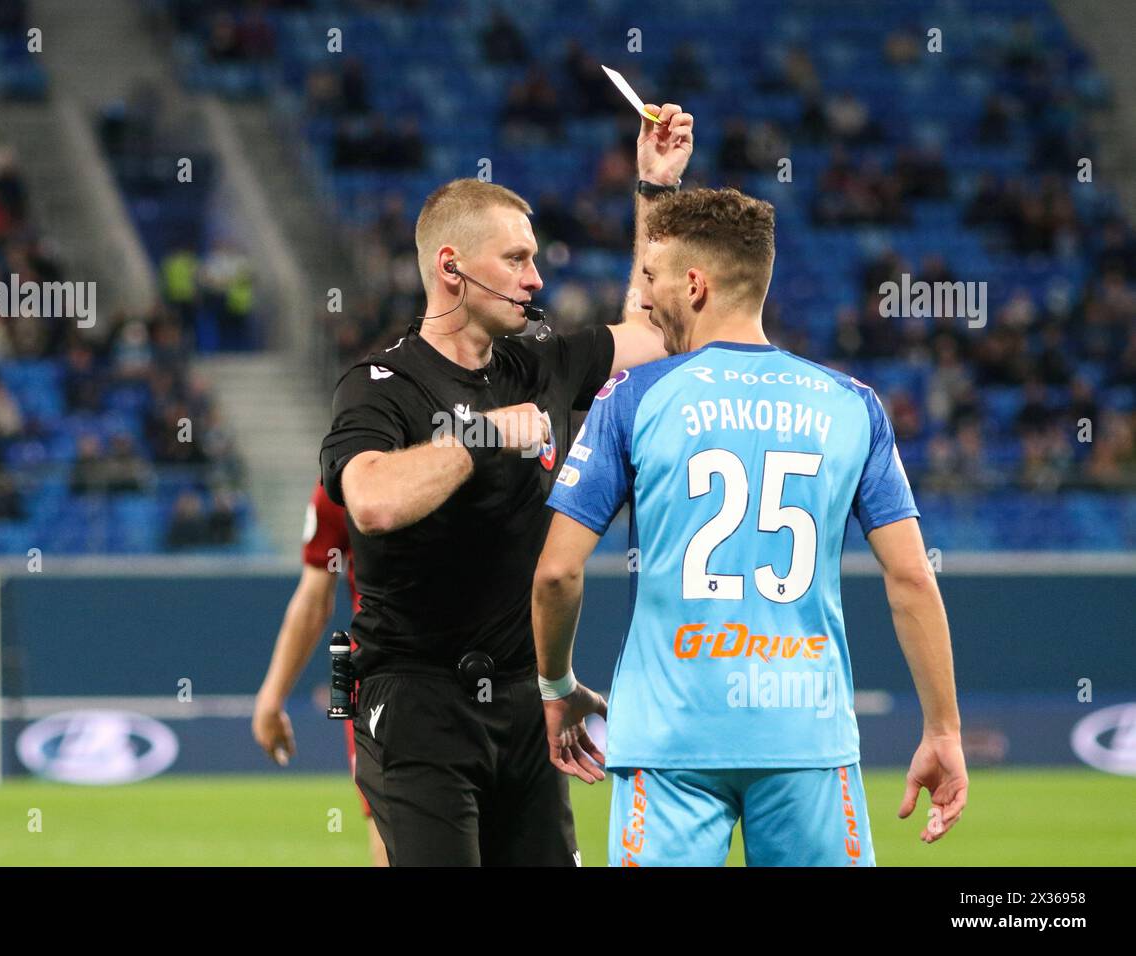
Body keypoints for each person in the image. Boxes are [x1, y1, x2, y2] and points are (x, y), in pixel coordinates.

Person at [532, 187, 967, 866]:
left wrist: (556, 685)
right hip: (807, 736)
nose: (643, 300)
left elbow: (557, 572)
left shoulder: (634, 398)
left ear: (695, 285)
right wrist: (942, 729)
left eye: (652, 281)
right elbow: (911, 577)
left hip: (668, 739)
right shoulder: (853, 406)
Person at [319, 104, 695, 866]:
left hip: (526, 701)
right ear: (451, 266)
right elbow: (371, 499)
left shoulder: (538, 361)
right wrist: (483, 436)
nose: (536, 277)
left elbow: (654, 335)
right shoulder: (381, 385)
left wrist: (654, 190)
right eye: (517, 260)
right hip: (417, 698)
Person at [252, 481, 387, 866]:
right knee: (394, 838)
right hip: (377, 684)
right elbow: (313, 599)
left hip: (476, 674)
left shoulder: (477, 456)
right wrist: (271, 697)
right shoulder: (343, 481)